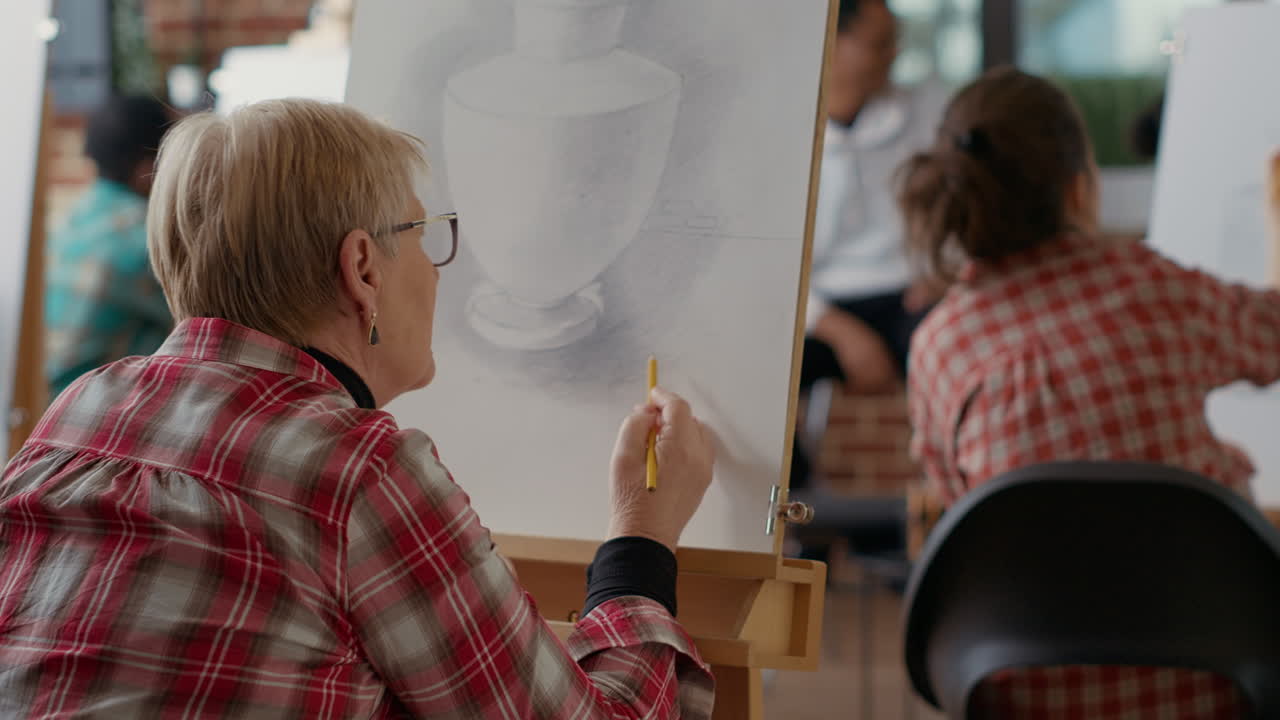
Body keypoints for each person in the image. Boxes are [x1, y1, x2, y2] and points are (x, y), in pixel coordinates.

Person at [0, 99, 716, 718]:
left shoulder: (82, 409)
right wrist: (641, 541)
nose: (438, 274)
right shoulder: (358, 470)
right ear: (364, 268)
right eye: (423, 236)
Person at [903, 66, 1280, 718]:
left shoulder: (940, 346)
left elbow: (967, 515)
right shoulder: (1155, 288)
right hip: (1216, 684)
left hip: (1016, 691)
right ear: (1081, 189)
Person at [44, 94, 174, 399]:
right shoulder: (149, 238)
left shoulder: (72, 219)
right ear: (148, 167)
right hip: (93, 419)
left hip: (42, 412)